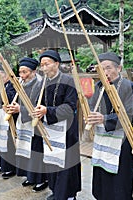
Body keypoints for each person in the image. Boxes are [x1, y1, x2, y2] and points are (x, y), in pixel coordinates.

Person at [86, 52, 133, 200]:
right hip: (102, 140)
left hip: (121, 141)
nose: (105, 72)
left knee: (119, 184)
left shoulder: (129, 87)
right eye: (101, 69)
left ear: (119, 68)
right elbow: (92, 107)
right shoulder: (98, 86)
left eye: (108, 68)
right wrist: (90, 116)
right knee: (101, 181)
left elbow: (129, 116)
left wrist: (104, 118)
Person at [33, 50, 81, 200]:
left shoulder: (68, 81)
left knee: (66, 165)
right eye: (42, 65)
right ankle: (56, 191)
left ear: (57, 64)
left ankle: (68, 195)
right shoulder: (43, 83)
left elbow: (70, 107)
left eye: (47, 64)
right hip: (50, 130)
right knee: (52, 161)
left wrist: (47, 110)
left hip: (66, 130)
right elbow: (38, 103)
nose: (44, 68)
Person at [7, 57, 48, 192]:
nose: (22, 76)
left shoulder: (40, 84)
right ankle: (30, 176)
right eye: (20, 72)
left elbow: (38, 106)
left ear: (34, 71)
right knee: (26, 150)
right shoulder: (20, 83)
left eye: (25, 72)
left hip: (36, 123)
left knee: (37, 152)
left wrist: (21, 110)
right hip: (24, 121)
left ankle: (41, 179)